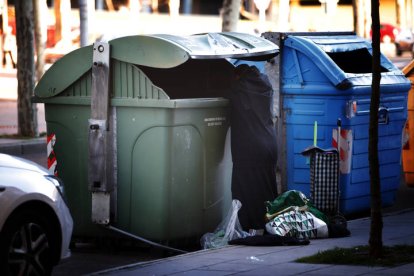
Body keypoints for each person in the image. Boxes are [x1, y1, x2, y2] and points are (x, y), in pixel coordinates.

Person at [228, 64, 278, 232]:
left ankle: (251, 229)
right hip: (269, 143)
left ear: (238, 76)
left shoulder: (239, 90)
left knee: (244, 191)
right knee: (266, 191)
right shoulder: (264, 86)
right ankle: (270, 227)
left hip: (249, 148)